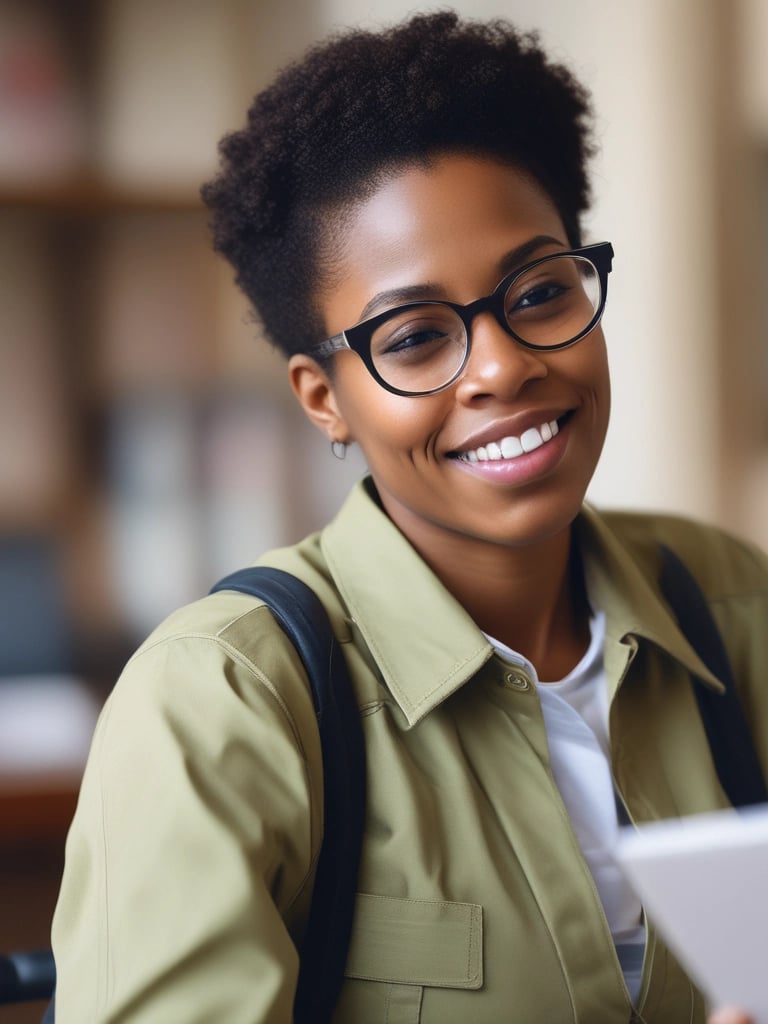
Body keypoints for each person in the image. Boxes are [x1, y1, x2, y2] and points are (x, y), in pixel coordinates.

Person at [50, 11, 767, 1023]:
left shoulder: (735, 606)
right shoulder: (223, 702)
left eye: (540, 292)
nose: (504, 366)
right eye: (416, 337)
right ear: (324, 400)